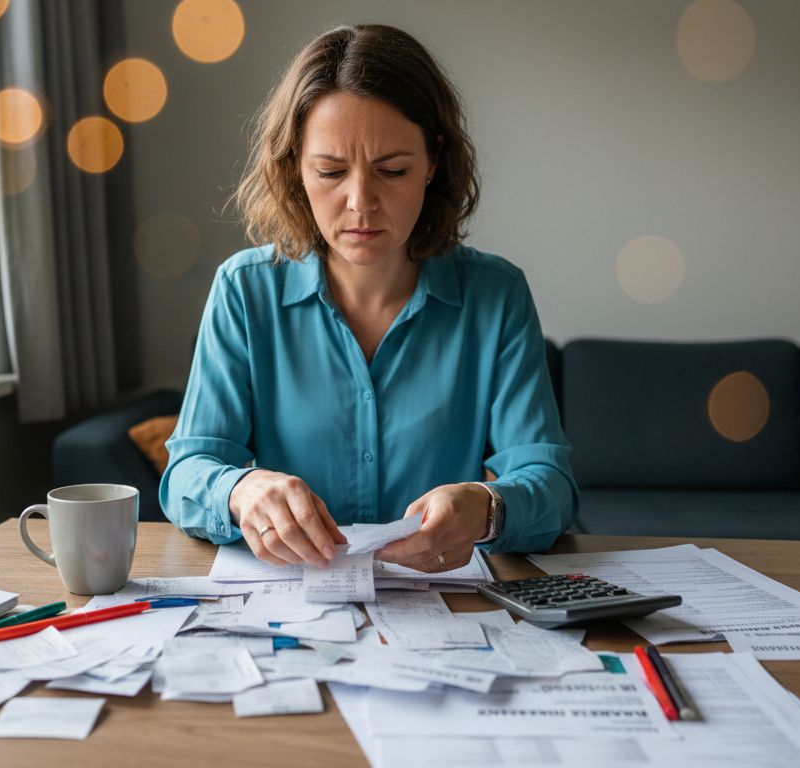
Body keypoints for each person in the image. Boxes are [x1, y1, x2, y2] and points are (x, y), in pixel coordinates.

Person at [160, 23, 577, 573]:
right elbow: (189, 471)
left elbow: (551, 485)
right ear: (295, 170)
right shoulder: (244, 290)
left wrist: (487, 508)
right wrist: (241, 489)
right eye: (330, 171)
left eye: (393, 170)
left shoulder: (495, 296)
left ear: (434, 161)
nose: (361, 203)